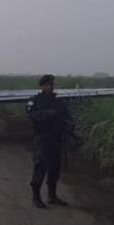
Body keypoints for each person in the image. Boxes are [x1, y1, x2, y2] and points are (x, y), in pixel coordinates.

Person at [26, 74, 70, 209]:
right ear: (42, 86)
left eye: (51, 85)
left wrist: (69, 126)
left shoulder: (58, 101)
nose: (49, 87)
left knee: (55, 168)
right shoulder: (35, 100)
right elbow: (31, 115)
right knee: (40, 166)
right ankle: (36, 197)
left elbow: (66, 116)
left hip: (56, 138)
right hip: (43, 137)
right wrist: (46, 113)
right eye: (47, 85)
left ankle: (52, 196)